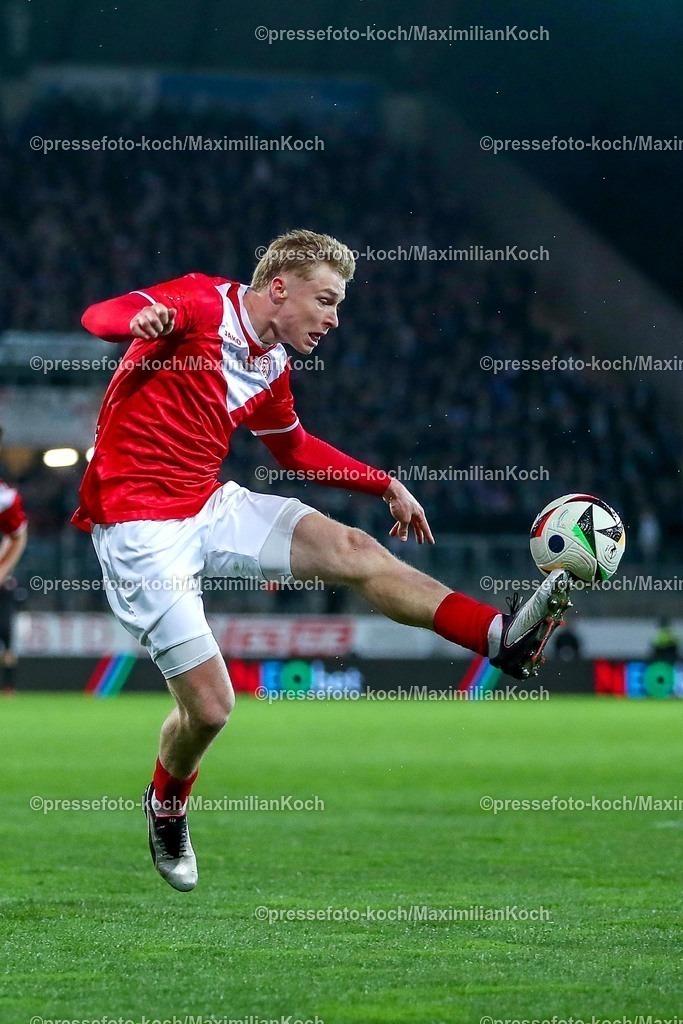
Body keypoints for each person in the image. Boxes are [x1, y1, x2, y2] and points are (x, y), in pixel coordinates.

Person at [73, 229, 569, 892]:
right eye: (326, 300)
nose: (334, 319)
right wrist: (141, 319)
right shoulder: (197, 303)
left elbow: (294, 449)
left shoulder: (271, 364)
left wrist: (383, 483)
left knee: (354, 549)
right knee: (213, 711)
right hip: (138, 530)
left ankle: (499, 637)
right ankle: (166, 803)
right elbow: (97, 317)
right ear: (280, 287)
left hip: (206, 502)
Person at [0, 428, 29, 694]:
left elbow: (17, 535)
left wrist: (2, 570)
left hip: (3, 591)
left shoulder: (5, 498)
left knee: (7, 639)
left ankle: (8, 687)